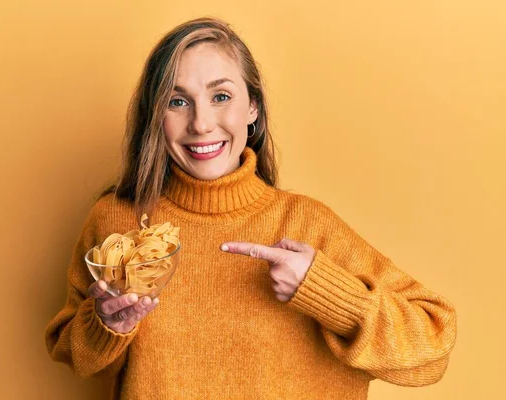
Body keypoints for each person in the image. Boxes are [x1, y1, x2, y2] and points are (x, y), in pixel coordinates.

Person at [45, 17, 457, 400]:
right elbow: (76, 357)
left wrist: (325, 292)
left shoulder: (307, 224)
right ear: (155, 115)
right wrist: (108, 325)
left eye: (221, 96)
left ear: (253, 108)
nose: (202, 123)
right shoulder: (116, 221)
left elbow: (432, 350)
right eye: (177, 101)